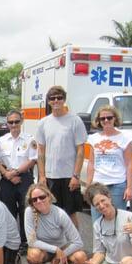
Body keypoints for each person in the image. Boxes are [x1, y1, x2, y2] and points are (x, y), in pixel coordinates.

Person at [36, 86, 87, 228]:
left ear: (64, 99)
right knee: (51, 212)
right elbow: (40, 151)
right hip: (51, 177)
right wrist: (42, 176)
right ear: (49, 101)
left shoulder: (75, 120)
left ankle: (75, 245)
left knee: (70, 214)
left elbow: (80, 151)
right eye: (52, 98)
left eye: (59, 97)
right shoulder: (43, 123)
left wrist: (76, 176)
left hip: (69, 176)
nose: (56, 100)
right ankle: (56, 245)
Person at [24, 183, 87, 264]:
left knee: (80, 257)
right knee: (33, 255)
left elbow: (78, 242)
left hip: (61, 248)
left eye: (42, 197)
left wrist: (60, 255)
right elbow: (31, 241)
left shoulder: (60, 214)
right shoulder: (29, 212)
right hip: (43, 250)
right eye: (34, 200)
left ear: (49, 196)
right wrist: (55, 250)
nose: (38, 201)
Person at [0, 110, 37, 251]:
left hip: (24, 178)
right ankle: (12, 240)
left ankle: (26, 241)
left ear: (21, 121)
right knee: (8, 211)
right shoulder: (1, 141)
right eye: (10, 122)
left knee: (26, 210)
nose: (13, 125)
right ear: (7, 123)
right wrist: (6, 174)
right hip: (7, 179)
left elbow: (32, 160)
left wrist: (16, 172)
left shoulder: (30, 139)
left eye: (16, 121)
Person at [86, 105, 132, 222]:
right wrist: (88, 186)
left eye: (109, 118)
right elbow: (91, 163)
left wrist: (129, 187)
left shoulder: (124, 138)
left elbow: (129, 164)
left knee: (117, 220)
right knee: (97, 221)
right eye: (103, 119)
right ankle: (98, 241)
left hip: (117, 185)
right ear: (99, 121)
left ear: (115, 119)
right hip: (98, 185)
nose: (106, 120)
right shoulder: (93, 138)